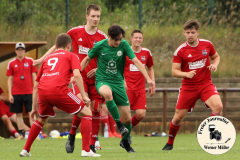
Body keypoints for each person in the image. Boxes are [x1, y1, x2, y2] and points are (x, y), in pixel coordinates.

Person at [34, 4, 108, 153]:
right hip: (78, 77)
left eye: (98, 16)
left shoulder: (102, 37)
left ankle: (92, 144)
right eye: (93, 16)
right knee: (82, 107)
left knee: (96, 110)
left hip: (96, 78)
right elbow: (58, 45)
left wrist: (99, 68)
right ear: (86, 16)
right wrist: (42, 58)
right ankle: (72, 135)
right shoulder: (75, 32)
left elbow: (108, 58)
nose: (95, 19)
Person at [19, 33, 100, 157]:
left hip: (43, 92)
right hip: (59, 90)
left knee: (41, 119)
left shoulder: (47, 59)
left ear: (56, 46)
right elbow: (77, 75)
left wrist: (34, 109)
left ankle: (25, 150)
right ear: (69, 45)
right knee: (87, 113)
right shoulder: (72, 55)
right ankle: (86, 150)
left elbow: (36, 85)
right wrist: (84, 95)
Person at [81, 24, 155, 153]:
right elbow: (87, 59)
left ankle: (125, 142)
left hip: (118, 83)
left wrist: (148, 78)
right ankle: (119, 126)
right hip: (102, 81)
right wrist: (75, 74)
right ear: (110, 37)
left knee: (127, 119)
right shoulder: (100, 46)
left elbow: (136, 61)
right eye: (116, 40)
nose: (118, 42)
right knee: (107, 94)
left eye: (120, 39)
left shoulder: (124, 45)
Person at [162, 19, 223, 150]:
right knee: (178, 118)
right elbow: (174, 71)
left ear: (197, 33)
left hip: (206, 84)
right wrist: (186, 74)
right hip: (188, 87)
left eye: (193, 32)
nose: (190, 35)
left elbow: (216, 56)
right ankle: (169, 143)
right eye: (188, 32)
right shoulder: (180, 50)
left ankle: (210, 135)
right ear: (184, 33)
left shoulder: (207, 44)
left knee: (218, 107)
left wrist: (214, 65)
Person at [124, 29, 156, 128]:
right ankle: (124, 132)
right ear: (131, 39)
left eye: (140, 38)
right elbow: (119, 69)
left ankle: (126, 130)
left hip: (140, 89)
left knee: (141, 114)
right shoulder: (125, 52)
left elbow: (150, 68)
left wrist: (152, 82)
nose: (138, 39)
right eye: (136, 37)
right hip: (127, 88)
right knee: (125, 115)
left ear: (142, 39)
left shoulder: (146, 52)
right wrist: (123, 82)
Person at [6, 42, 38, 138]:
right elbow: (10, 79)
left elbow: (34, 76)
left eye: (22, 50)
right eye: (18, 50)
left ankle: (34, 134)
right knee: (18, 113)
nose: (20, 52)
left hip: (29, 92)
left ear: (24, 51)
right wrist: (10, 94)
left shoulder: (30, 61)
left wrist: (35, 90)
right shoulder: (11, 63)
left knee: (31, 113)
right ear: (16, 51)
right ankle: (21, 134)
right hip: (16, 93)